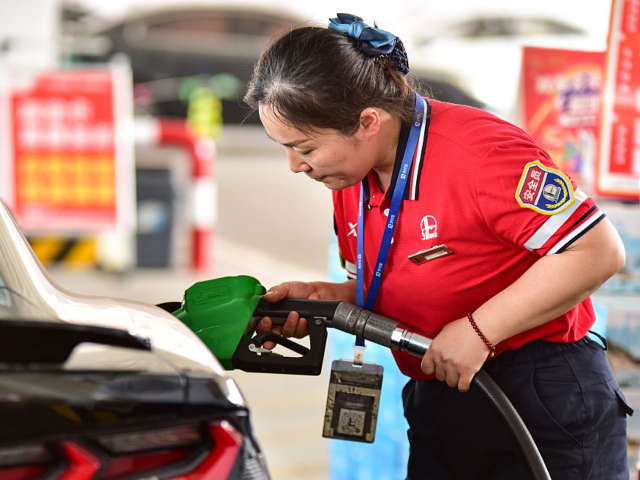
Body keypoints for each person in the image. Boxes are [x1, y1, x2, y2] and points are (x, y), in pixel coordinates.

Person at [244, 13, 631, 480]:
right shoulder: (349, 177)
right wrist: (326, 300)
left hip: (539, 394)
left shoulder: (481, 154)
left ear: (368, 121)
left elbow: (597, 251)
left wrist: (479, 330)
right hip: (442, 390)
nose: (294, 166)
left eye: (304, 148)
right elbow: (397, 283)